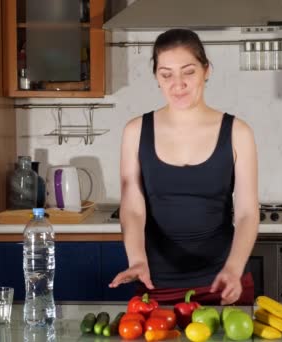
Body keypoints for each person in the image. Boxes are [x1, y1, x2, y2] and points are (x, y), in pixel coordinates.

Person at [109, 29, 259, 305]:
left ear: (206, 70)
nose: (177, 84)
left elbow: (248, 212)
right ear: (157, 78)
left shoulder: (238, 132)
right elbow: (132, 206)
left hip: (223, 283)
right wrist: (137, 260)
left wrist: (234, 268)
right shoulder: (135, 131)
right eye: (166, 74)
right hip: (154, 284)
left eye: (188, 72)